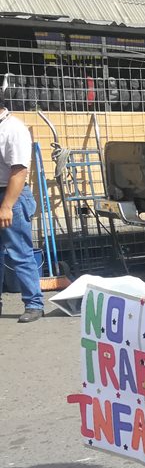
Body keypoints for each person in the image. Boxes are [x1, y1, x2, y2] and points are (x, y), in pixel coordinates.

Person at [0, 88, 44, 323]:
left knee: (19, 251)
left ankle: (34, 304)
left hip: (11, 194)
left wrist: (7, 206)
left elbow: (19, 171)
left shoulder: (12, 129)